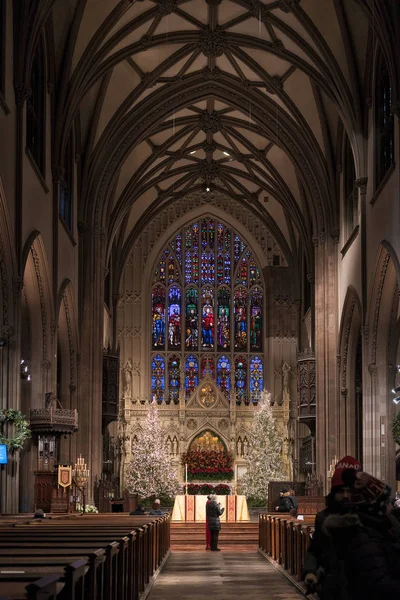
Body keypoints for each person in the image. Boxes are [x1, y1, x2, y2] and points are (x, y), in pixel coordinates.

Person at [322, 469, 400, 600]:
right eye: (386, 502)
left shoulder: (378, 528)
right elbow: (380, 585)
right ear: (376, 507)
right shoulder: (364, 538)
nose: (391, 507)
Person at [302, 455, 361, 598]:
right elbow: (314, 550)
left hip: (359, 586)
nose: (346, 495)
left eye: (349, 491)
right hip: (331, 586)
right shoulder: (323, 517)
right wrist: (310, 572)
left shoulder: (364, 516)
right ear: (334, 493)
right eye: (341, 491)